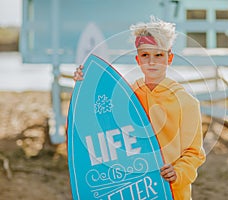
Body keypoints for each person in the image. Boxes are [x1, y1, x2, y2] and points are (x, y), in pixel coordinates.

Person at [74, 16, 206, 200]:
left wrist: (178, 172)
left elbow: (194, 153)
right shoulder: (127, 95)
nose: (152, 62)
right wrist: (85, 83)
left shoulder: (186, 102)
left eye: (158, 55)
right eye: (145, 55)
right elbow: (100, 116)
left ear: (170, 58)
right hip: (137, 189)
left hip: (172, 192)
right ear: (138, 59)